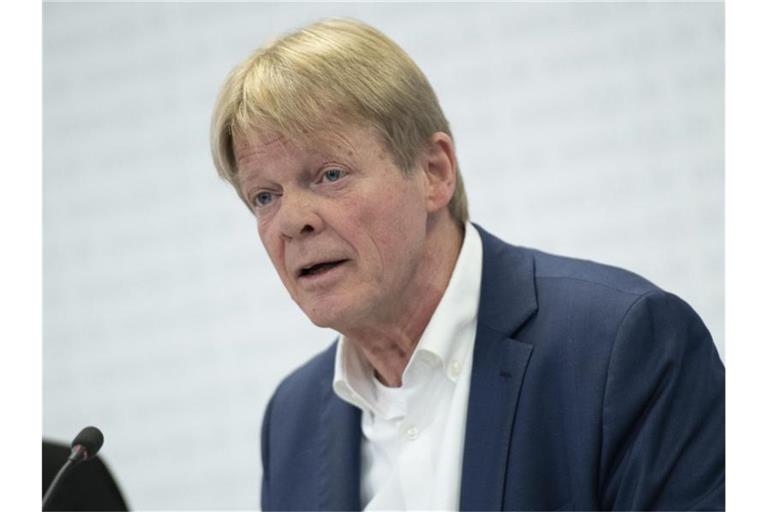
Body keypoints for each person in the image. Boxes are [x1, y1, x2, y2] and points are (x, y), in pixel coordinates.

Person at [210, 18, 724, 511]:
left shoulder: (622, 348)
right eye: (263, 196)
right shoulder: (291, 420)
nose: (291, 220)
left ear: (434, 173)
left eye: (329, 174)